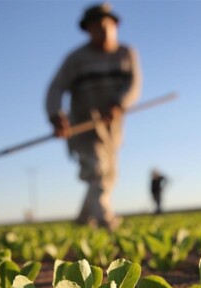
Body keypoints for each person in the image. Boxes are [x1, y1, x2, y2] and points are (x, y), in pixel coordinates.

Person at [46, 3, 142, 230]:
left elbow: (134, 84)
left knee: (108, 175)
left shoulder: (126, 54)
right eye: (95, 27)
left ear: (115, 25)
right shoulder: (76, 59)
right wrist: (56, 115)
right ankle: (105, 221)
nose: (102, 31)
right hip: (84, 127)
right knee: (97, 172)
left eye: (105, 26)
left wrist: (120, 103)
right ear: (87, 30)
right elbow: (56, 88)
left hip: (112, 129)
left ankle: (82, 220)